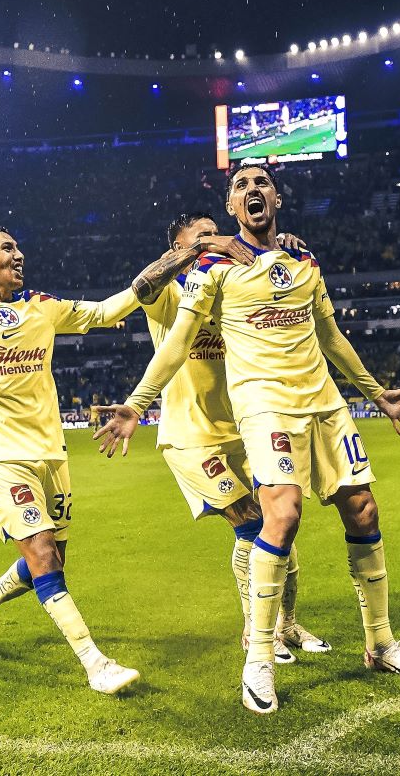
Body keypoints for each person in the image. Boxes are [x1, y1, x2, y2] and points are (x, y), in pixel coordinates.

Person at [94, 165, 400, 715]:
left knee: (364, 511)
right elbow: (179, 337)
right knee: (281, 515)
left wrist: (376, 395)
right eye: (241, 185)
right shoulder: (211, 266)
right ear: (232, 207)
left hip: (324, 403)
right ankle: (258, 657)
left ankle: (380, 643)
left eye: (262, 182)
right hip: (263, 405)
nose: (253, 190)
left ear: (277, 196)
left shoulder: (305, 261)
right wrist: (137, 402)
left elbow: (331, 336)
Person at [0, 224, 249, 695]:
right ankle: (95, 664)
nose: (19, 254)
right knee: (42, 553)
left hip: (51, 452)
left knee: (49, 564)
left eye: (18, 245)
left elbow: (107, 309)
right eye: (7, 248)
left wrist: (172, 262)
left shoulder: (41, 305)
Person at [130, 211, 328, 665]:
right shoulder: (172, 294)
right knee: (253, 525)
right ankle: (253, 633)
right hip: (191, 436)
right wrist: (195, 252)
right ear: (179, 250)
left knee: (284, 529)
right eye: (201, 237)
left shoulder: (230, 283)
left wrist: (282, 247)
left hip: (243, 428)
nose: (217, 240)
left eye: (215, 232)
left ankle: (288, 624)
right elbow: (140, 286)